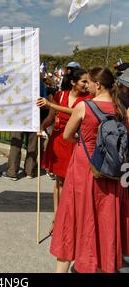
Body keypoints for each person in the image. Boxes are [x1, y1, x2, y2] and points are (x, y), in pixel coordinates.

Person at [51, 67, 129, 273]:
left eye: (90, 83)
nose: (87, 86)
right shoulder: (120, 108)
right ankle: (102, 264)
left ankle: (64, 268)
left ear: (98, 85)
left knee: (73, 217)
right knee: (104, 218)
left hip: (85, 167)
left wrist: (84, 139)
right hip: (111, 170)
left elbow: (67, 136)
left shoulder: (84, 107)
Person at [37, 68, 91, 234]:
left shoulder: (88, 99)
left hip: (76, 143)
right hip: (59, 141)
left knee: (75, 184)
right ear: (74, 82)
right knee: (59, 182)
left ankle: (72, 220)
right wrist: (41, 127)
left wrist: (51, 104)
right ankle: (57, 219)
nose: (87, 85)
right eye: (84, 81)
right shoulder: (60, 95)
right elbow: (51, 116)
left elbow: (75, 112)